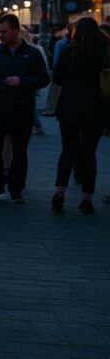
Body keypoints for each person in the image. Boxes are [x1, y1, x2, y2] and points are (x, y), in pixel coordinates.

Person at [0, 14, 50, 203]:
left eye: (4, 31)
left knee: (20, 151)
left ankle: (16, 187)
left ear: (16, 31)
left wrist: (22, 81)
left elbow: (44, 78)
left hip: (22, 110)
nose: (0, 35)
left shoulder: (32, 53)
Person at [50, 17, 108, 213]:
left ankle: (60, 190)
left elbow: (57, 78)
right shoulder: (105, 52)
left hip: (69, 107)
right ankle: (87, 197)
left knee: (68, 149)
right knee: (89, 152)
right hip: (96, 107)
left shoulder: (68, 51)